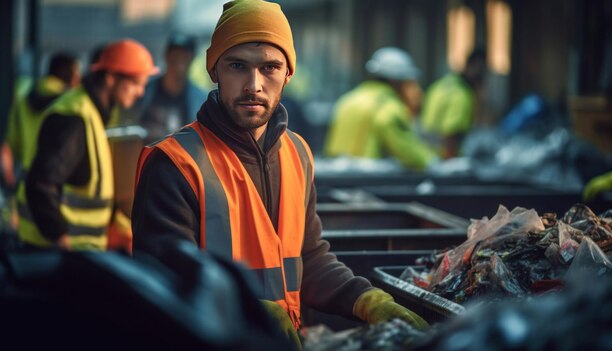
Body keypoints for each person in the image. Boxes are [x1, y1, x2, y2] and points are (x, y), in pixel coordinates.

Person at [131, 1, 429, 349]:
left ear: (288, 73)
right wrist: (244, 310)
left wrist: (367, 300)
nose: (253, 84)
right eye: (237, 66)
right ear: (214, 71)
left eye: (270, 67)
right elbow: (161, 286)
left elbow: (309, 259)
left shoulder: (297, 153)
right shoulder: (175, 164)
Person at [20, 39, 158, 251]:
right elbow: (41, 184)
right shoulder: (75, 117)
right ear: (111, 78)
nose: (141, 92)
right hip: (59, 255)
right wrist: (58, 237)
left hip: (79, 253)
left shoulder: (91, 112)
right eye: (135, 83)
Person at [324, 47, 439, 171]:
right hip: (368, 181)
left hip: (338, 176)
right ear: (396, 80)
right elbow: (408, 151)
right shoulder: (388, 106)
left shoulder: (349, 99)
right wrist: (433, 163)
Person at [6, 52, 81, 183]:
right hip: (55, 186)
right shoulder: (71, 104)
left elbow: (12, 142)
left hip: (25, 181)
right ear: (65, 72)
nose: (78, 79)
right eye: (76, 72)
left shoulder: (23, 98)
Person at [131, 33, 207, 143]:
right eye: (175, 55)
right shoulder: (143, 91)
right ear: (166, 56)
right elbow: (129, 128)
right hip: (148, 156)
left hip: (184, 158)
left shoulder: (200, 99)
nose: (179, 60)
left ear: (191, 59)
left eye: (184, 56)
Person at [420, 49, 487, 159]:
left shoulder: (441, 84)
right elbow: (451, 134)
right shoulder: (461, 95)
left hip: (425, 154)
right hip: (442, 158)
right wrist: (451, 165)